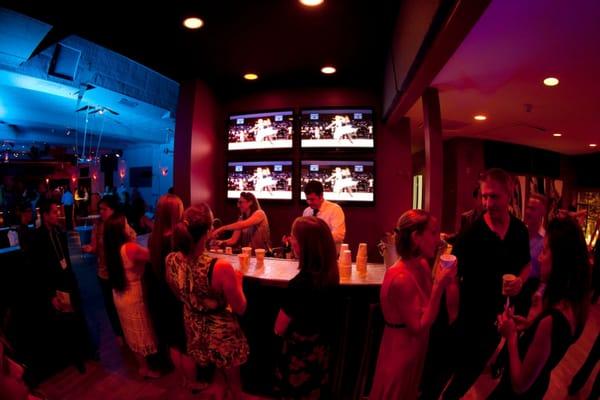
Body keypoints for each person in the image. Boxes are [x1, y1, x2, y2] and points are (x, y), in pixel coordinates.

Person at [441, 168, 531, 399]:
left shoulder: (520, 230)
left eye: (494, 196)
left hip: (500, 318)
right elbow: (451, 276)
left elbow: (527, 265)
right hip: (470, 317)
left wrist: (520, 280)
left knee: (471, 372)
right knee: (453, 373)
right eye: (484, 196)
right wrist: (453, 317)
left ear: (509, 194)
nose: (488, 202)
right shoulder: (471, 233)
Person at [490, 216, 591, 398]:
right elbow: (549, 346)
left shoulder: (552, 320)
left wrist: (511, 336)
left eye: (544, 251)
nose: (539, 257)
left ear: (560, 260)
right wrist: (530, 326)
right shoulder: (573, 305)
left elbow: (520, 384)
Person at [370, 210, 458, 400]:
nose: (439, 240)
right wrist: (439, 286)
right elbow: (418, 326)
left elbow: (429, 310)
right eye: (434, 233)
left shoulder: (422, 265)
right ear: (416, 237)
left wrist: (447, 283)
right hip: (400, 350)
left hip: (416, 348)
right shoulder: (401, 278)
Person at [166, 204, 249, 397]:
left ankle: (219, 390)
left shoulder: (171, 259)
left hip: (194, 326)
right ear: (209, 231)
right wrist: (238, 281)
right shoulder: (220, 267)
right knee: (236, 386)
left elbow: (178, 292)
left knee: (215, 370)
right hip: (222, 334)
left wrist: (196, 304)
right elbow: (241, 307)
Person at [274, 216, 340, 399]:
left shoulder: (299, 284)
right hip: (321, 355)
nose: (290, 240)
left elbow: (279, 328)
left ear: (302, 246)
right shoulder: (331, 277)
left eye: (293, 237)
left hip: (298, 358)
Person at [31, 199, 94, 376]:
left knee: (76, 317)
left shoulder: (59, 232)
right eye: (52, 212)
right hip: (54, 285)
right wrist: (50, 294)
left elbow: (65, 258)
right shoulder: (37, 237)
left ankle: (83, 353)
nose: (57, 215)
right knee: (63, 323)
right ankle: (71, 357)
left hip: (68, 281)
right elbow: (39, 270)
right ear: (44, 216)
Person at [103, 214, 160, 378]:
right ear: (121, 230)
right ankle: (146, 368)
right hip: (133, 295)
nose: (129, 225)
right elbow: (154, 256)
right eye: (127, 223)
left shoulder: (113, 248)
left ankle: (142, 367)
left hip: (120, 295)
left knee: (131, 332)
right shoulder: (130, 248)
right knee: (141, 332)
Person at [146, 194, 185, 370]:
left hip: (158, 289)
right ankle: (186, 374)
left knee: (166, 332)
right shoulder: (176, 239)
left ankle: (169, 365)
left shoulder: (154, 237)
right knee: (179, 335)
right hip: (173, 292)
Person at [82, 195, 129, 341]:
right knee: (110, 305)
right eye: (100, 209)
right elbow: (95, 247)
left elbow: (131, 239)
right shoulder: (97, 226)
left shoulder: (120, 223)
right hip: (103, 272)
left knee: (123, 303)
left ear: (113, 209)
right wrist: (89, 249)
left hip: (120, 270)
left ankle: (127, 331)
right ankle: (118, 333)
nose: (101, 212)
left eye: (104, 209)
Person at [301, 180, 345, 253]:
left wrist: (316, 238)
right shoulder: (306, 211)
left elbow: (339, 235)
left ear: (321, 195)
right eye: (307, 199)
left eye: (312, 199)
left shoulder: (335, 209)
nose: (309, 202)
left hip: (331, 255)